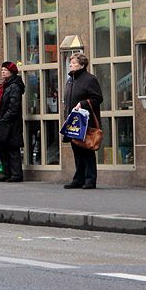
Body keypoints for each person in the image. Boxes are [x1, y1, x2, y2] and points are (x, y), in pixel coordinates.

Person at [62, 52, 103, 190]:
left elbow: (97, 98)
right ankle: (78, 179)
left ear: (82, 65)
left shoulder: (90, 79)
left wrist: (83, 103)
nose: (71, 65)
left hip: (86, 121)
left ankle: (90, 179)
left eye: (73, 63)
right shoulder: (71, 80)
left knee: (87, 150)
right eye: (70, 63)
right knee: (77, 150)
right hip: (73, 121)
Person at [0, 61, 24, 183]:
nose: (2, 72)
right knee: (3, 146)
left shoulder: (14, 86)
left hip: (11, 121)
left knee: (12, 147)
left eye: (5, 70)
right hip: (4, 120)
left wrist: (5, 118)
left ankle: (16, 174)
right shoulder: (5, 85)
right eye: (2, 70)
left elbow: (14, 106)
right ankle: (7, 172)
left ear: (11, 72)